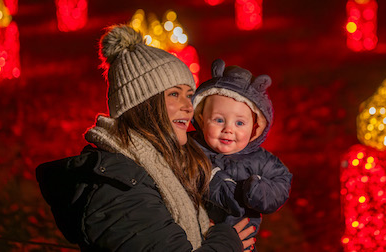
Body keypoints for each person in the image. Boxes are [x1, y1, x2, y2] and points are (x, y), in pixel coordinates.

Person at [36, 25, 255, 251]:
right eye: (174, 94)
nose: (188, 107)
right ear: (142, 105)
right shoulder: (118, 188)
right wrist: (227, 241)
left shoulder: (164, 165)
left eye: (189, 95)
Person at [190, 59, 293, 249]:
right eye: (219, 120)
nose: (228, 129)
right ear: (201, 119)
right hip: (197, 239)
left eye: (239, 123)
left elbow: (282, 181)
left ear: (255, 127)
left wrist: (259, 191)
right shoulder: (191, 149)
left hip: (242, 242)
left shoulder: (259, 160)